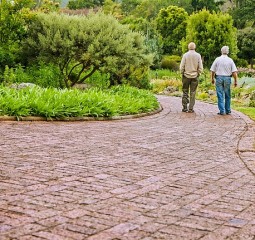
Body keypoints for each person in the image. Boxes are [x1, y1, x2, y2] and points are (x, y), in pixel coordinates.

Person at [210, 46, 238, 115]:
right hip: (227, 78)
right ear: (227, 52)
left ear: (221, 51)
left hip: (219, 77)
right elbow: (234, 72)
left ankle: (222, 111)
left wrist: (212, 78)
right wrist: (235, 81)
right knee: (227, 94)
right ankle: (228, 110)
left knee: (220, 94)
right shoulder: (230, 60)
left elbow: (212, 70)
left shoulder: (217, 59)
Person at [180, 42, 203, 113]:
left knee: (185, 91)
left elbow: (182, 66)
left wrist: (182, 72)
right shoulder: (198, 55)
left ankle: (184, 107)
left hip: (186, 75)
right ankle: (191, 108)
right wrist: (198, 73)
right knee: (193, 92)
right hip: (195, 76)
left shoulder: (185, 55)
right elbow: (200, 67)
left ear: (188, 47)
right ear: (195, 47)